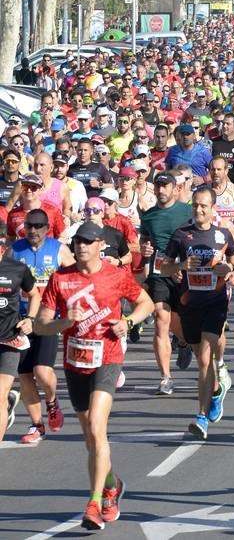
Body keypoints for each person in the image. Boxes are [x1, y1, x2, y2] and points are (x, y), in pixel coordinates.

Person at [35, 220, 153, 531]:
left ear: (100, 244)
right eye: (77, 242)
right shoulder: (61, 279)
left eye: (88, 241)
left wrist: (128, 321)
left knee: (99, 428)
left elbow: (146, 303)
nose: (82, 246)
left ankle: (94, 502)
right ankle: (113, 485)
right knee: (90, 436)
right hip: (75, 363)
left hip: (108, 358)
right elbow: (40, 324)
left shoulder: (115, 275)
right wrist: (63, 322)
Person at [161, 186, 234, 441]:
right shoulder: (181, 235)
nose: (199, 209)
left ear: (212, 208)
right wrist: (180, 265)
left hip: (215, 303)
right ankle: (216, 390)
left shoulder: (222, 234)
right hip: (190, 303)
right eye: (195, 205)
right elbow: (162, 267)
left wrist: (231, 269)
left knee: (206, 358)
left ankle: (201, 417)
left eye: (204, 206)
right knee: (200, 358)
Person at [11, 209, 75, 444]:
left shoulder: (58, 249)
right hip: (20, 319)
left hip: (48, 319)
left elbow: (74, 278)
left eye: (38, 226)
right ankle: (36, 425)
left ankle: (51, 401)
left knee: (42, 372)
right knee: (25, 375)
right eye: (29, 225)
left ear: (47, 228)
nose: (33, 230)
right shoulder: (14, 250)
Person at [139, 172, 192, 395]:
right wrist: (145, 248)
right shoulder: (149, 216)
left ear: (174, 188)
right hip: (159, 271)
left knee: (178, 322)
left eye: (165, 186)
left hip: (184, 270)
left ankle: (183, 342)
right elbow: (144, 239)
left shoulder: (187, 211)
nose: (161, 190)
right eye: (158, 186)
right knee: (161, 318)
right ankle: (165, 377)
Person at [0, 224, 40, 444]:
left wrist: (30, 319)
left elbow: (35, 295)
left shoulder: (16, 269)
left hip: (9, 339)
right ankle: (7, 405)